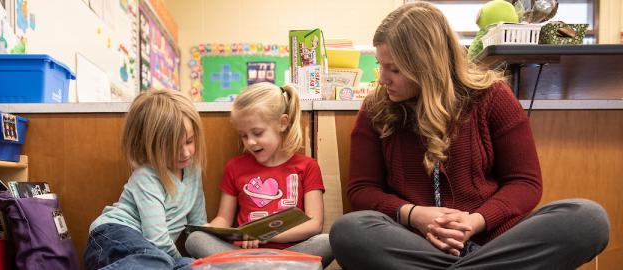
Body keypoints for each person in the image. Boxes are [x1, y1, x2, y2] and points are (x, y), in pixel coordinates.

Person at [329, 2, 609, 269]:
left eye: (395, 69)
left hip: (494, 241)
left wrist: (475, 221)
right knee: (349, 231)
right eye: (381, 65)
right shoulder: (376, 109)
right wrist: (414, 215)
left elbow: (525, 182)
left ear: (428, 64)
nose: (382, 79)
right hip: (414, 244)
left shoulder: (492, 97)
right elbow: (362, 191)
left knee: (588, 218)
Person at [185, 82, 334, 267]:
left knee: (329, 241)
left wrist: (264, 235)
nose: (251, 142)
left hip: (290, 255)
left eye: (257, 132)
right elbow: (223, 218)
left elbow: (314, 224)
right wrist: (211, 229)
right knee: (196, 239)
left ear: (282, 123)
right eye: (243, 135)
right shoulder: (235, 167)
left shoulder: (307, 166)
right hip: (243, 255)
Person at [83, 90, 207, 270]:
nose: (185, 153)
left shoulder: (193, 172)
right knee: (158, 261)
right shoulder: (147, 176)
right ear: (149, 144)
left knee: (192, 267)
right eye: (173, 147)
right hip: (112, 235)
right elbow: (157, 239)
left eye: (189, 141)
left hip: (153, 252)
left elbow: (197, 229)